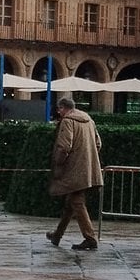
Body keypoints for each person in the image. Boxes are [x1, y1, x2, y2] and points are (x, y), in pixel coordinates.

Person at [46, 96, 102, 250]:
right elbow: (98, 143)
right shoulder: (89, 120)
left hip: (73, 169)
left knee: (77, 202)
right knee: (71, 203)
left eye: (59, 110)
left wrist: (59, 162)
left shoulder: (68, 121)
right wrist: (88, 158)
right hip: (88, 167)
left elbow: (64, 146)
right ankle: (57, 235)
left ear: (63, 108)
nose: (59, 113)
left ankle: (90, 238)